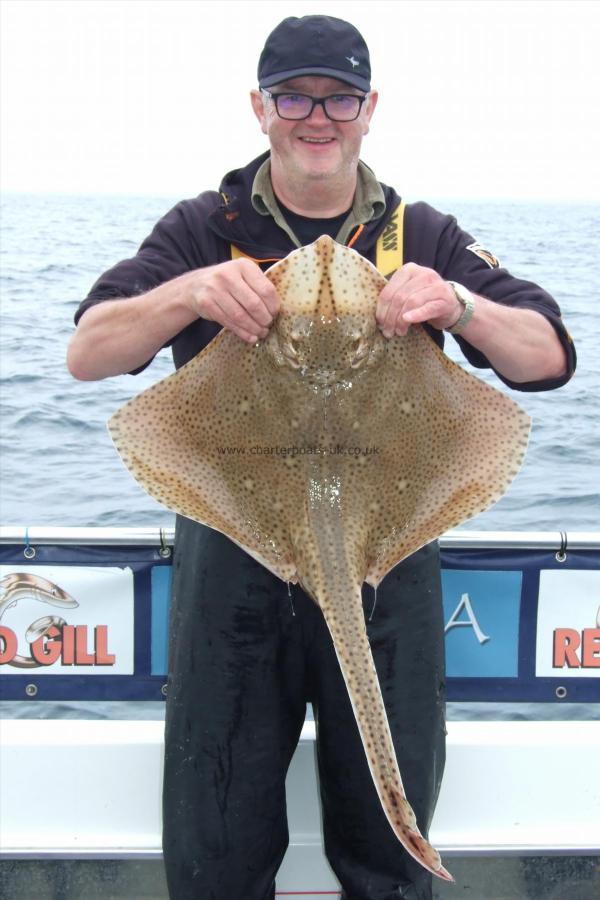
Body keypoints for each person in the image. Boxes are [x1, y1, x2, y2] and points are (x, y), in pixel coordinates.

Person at [67, 15, 576, 900]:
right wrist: (188, 292)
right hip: (237, 565)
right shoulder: (202, 226)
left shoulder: (422, 232)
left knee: (389, 860)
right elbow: (88, 353)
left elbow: (548, 359)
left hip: (387, 562)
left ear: (369, 108)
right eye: (295, 96)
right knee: (215, 852)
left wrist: (457, 303)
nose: (317, 116)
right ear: (260, 108)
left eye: (338, 97)